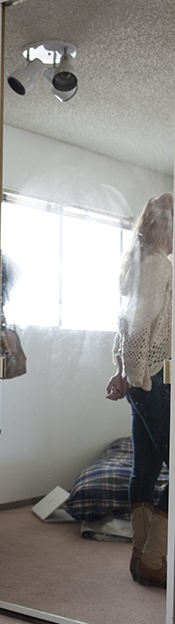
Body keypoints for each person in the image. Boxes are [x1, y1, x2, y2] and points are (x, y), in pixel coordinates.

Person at [106, 193, 173, 588]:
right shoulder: (157, 266)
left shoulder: (139, 262)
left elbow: (124, 329)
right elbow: (135, 334)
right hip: (153, 382)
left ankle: (140, 558)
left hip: (142, 381)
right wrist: (136, 379)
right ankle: (152, 558)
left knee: (145, 471)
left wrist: (123, 375)